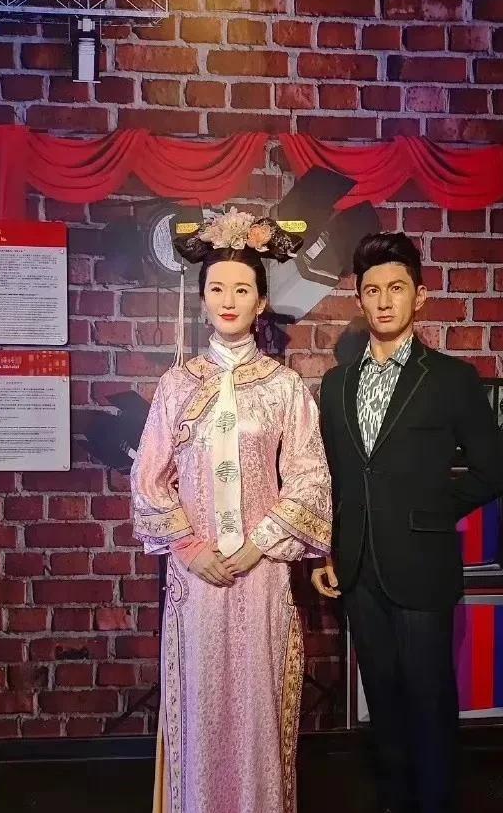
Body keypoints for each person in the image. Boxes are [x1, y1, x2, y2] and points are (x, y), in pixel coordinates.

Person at [131, 209, 332, 813]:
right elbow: (149, 480)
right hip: (195, 578)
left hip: (261, 573)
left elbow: (310, 479)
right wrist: (190, 549)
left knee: (257, 707)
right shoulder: (177, 386)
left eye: (242, 289)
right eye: (217, 288)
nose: (228, 300)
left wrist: (256, 545)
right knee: (199, 705)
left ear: (261, 301)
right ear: (202, 300)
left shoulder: (284, 387)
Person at [313, 232, 503, 813]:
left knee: (429, 699)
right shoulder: (336, 384)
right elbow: (333, 476)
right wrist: (329, 548)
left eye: (396, 288)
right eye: (372, 290)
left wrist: (427, 512)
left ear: (419, 296)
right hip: (357, 567)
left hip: (423, 565)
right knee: (382, 701)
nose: (383, 300)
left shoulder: (451, 378)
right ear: (359, 299)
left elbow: (493, 471)